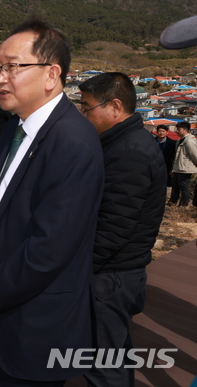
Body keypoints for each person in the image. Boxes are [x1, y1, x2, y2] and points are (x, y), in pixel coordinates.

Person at [0, 19, 104, 386]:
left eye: (12, 67)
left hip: (39, 325)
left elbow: (47, 250)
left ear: (51, 74)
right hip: (9, 308)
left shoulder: (72, 143)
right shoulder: (14, 129)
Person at [78, 72, 166, 387]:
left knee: (104, 365)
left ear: (115, 106)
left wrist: (79, 271)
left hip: (110, 276)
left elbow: (113, 229)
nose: (84, 114)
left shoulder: (129, 154)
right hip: (116, 272)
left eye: (87, 107)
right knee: (112, 354)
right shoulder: (124, 143)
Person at [167, 121, 197, 206]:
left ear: (185, 130)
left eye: (179, 129)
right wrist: (173, 168)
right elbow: (176, 156)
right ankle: (172, 202)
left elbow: (195, 154)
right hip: (178, 167)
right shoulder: (180, 140)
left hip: (185, 168)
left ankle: (184, 204)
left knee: (184, 187)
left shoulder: (189, 141)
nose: (177, 131)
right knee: (175, 186)